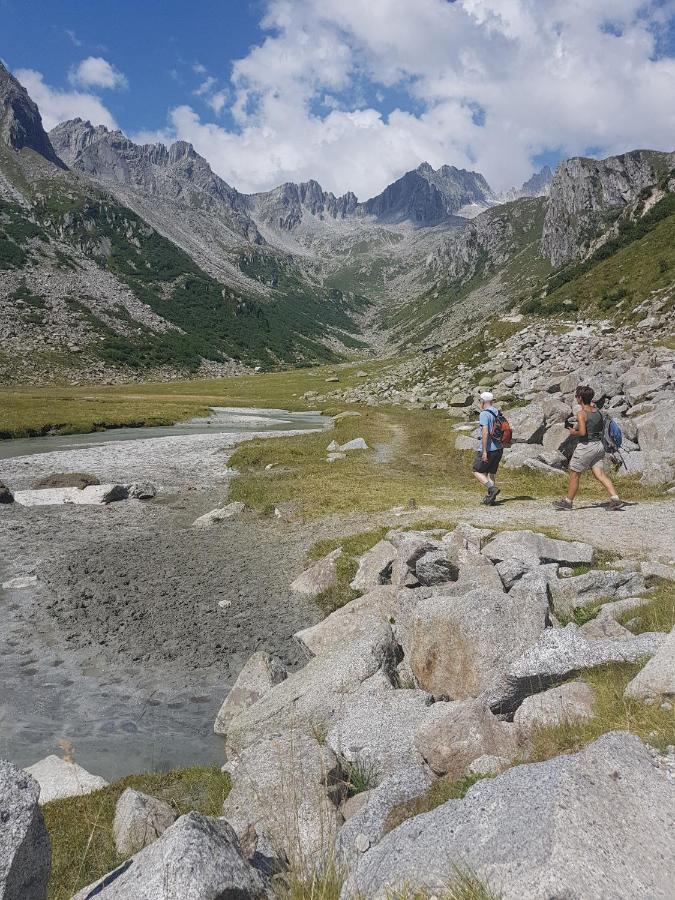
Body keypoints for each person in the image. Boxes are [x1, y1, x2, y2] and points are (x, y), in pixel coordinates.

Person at [553, 385, 623, 511]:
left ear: (580, 398)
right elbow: (593, 427)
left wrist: (572, 431)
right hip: (599, 446)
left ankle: (568, 502)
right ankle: (615, 498)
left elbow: (583, 433)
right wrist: (576, 427)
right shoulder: (598, 412)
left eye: (576, 396)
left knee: (575, 474)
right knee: (600, 474)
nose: (576, 398)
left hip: (586, 446)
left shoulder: (581, 413)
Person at [472, 391, 503, 505]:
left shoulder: (484, 414)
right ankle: (491, 499)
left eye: (480, 401)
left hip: (489, 448)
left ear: (483, 402)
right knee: (491, 473)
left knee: (477, 471)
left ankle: (492, 489)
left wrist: (484, 451)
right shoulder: (497, 411)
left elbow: (485, 432)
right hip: (499, 448)